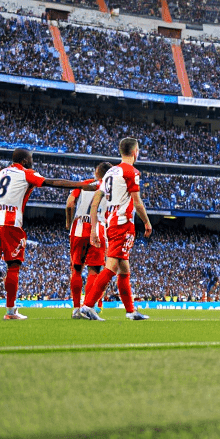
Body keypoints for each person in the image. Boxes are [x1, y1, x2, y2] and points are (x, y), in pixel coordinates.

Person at [0, 148, 92, 321]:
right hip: (10, 223)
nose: (32, 161)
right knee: (13, 266)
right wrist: (80, 185)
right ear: (24, 161)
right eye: (31, 159)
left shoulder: (0, 174)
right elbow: (50, 182)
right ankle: (10, 312)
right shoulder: (25, 173)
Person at [79, 137, 153, 321]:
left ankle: (130, 311)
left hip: (111, 222)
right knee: (111, 267)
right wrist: (147, 222)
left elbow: (97, 200)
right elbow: (137, 202)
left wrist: (95, 229)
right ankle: (87, 306)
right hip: (123, 223)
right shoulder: (132, 172)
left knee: (124, 269)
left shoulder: (111, 172)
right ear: (135, 152)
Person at [67, 162, 109, 319]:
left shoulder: (83, 183)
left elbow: (70, 203)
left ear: (96, 173)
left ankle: (76, 309)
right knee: (94, 271)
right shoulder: (109, 189)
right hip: (98, 227)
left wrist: (68, 222)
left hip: (78, 227)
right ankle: (88, 306)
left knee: (76, 269)